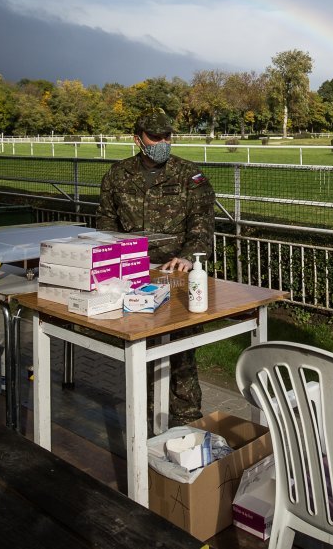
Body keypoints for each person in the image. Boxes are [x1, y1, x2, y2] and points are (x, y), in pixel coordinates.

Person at [96, 107, 215, 426]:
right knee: (138, 341)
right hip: (133, 274)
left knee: (180, 347)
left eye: (168, 136)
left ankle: (187, 415)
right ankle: (146, 410)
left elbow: (202, 223)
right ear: (138, 140)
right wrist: (113, 259)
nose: (163, 141)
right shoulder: (117, 175)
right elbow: (106, 221)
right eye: (156, 137)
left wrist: (190, 256)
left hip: (176, 275)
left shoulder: (190, 175)